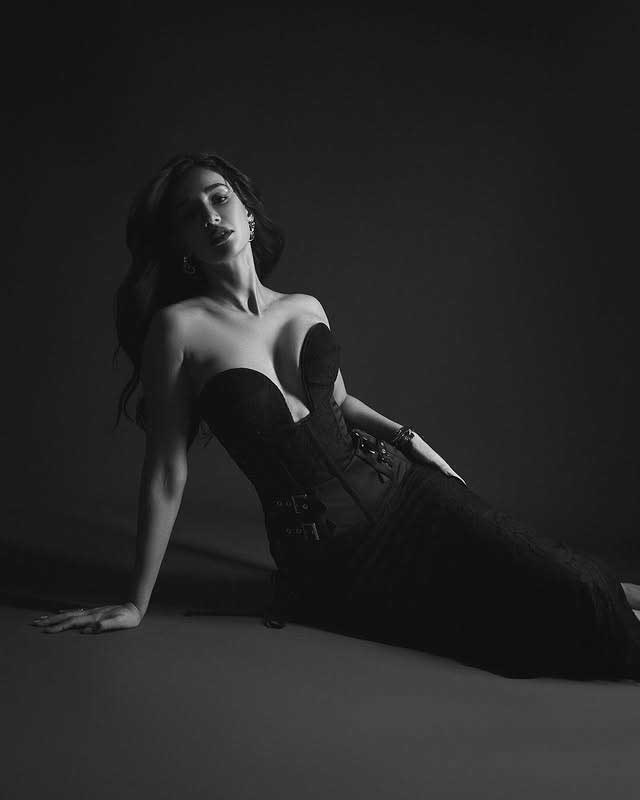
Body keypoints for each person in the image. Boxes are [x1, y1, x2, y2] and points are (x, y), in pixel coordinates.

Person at [31, 152, 640, 682]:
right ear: (183, 245)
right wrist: (136, 602)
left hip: (405, 492)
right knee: (517, 627)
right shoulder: (178, 330)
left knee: (572, 579)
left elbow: (340, 403)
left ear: (247, 212)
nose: (211, 218)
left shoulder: (305, 307)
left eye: (219, 199)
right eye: (192, 215)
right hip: (337, 559)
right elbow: (167, 471)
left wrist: (410, 438)